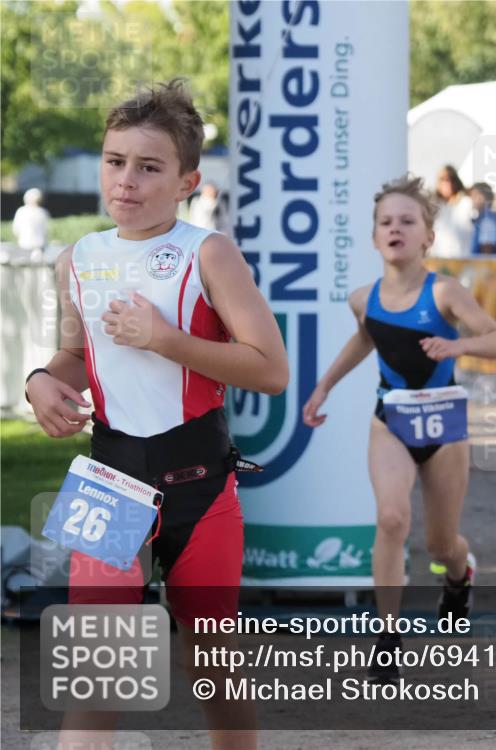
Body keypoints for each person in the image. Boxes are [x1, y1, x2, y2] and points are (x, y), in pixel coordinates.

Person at [25, 79, 287, 750]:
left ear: (186, 179)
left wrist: (165, 339)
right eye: (115, 161)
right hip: (109, 480)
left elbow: (271, 368)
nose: (127, 181)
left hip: (198, 486)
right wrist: (41, 382)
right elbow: (75, 356)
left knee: (214, 673)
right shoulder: (76, 259)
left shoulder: (210, 253)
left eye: (149, 167)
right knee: (98, 676)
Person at [302, 175, 496, 683]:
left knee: (442, 546)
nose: (395, 229)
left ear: (427, 237)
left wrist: (457, 347)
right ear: (375, 237)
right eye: (386, 222)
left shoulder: (444, 292)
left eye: (407, 221)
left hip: (445, 428)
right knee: (392, 520)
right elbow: (365, 340)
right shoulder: (362, 298)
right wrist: (323, 386)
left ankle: (459, 577)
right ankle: (388, 636)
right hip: (390, 421)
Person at [429, 164, 475, 258]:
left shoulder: (467, 204)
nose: (448, 183)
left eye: (451, 179)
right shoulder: (433, 206)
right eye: (443, 179)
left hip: (462, 260)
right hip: (438, 261)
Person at [468, 182, 496, 255]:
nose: (472, 200)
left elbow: (487, 253)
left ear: (485, 198)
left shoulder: (487, 221)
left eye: (475, 196)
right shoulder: (483, 219)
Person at [12, 187, 51, 252]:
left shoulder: (21, 211)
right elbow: (47, 230)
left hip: (24, 244)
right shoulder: (43, 212)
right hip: (39, 244)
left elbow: (16, 229)